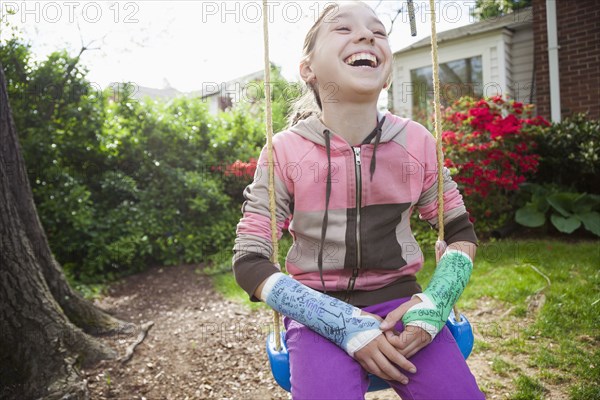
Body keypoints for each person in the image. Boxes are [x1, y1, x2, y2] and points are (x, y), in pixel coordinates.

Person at [232, 1, 485, 398]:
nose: (367, 35)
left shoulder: (415, 141)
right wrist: (339, 321)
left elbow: (459, 232)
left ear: (386, 75)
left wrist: (435, 303)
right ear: (308, 69)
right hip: (315, 312)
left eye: (378, 31)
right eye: (343, 29)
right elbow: (249, 261)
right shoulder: (285, 151)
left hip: (404, 306)